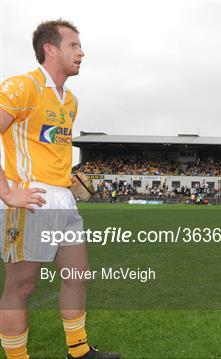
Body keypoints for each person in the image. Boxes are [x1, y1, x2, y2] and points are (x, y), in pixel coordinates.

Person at [0, 20, 120, 359]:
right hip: (30, 200)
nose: (81, 52)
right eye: (74, 46)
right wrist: (6, 192)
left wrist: (65, 178)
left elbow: (45, 145)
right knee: (21, 287)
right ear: (49, 49)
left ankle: (79, 351)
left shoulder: (70, 100)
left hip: (62, 202)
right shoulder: (22, 86)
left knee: (78, 276)